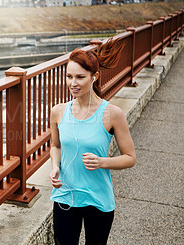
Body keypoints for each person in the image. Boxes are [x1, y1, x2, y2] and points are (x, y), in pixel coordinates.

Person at [49, 38, 136, 245]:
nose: (73, 83)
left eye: (80, 77)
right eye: (69, 76)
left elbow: (130, 158)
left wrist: (102, 162)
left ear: (94, 77)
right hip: (65, 197)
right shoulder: (58, 111)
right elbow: (56, 145)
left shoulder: (112, 114)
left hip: (98, 199)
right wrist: (55, 167)